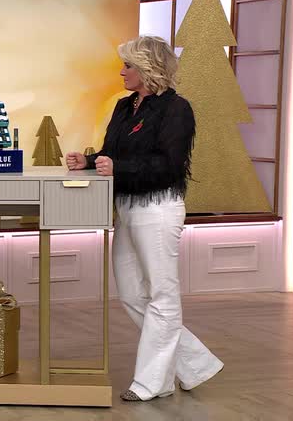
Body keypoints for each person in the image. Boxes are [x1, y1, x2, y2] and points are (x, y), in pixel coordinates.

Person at [66, 36, 224, 401]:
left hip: (158, 209)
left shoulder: (177, 109)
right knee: (132, 293)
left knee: (162, 295)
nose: (122, 71)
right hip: (128, 208)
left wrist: (117, 167)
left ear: (147, 69)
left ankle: (152, 383)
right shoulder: (124, 106)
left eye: (128, 66)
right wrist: (90, 161)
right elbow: (111, 152)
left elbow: (169, 165)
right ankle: (195, 363)